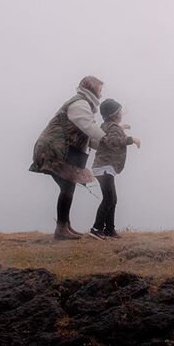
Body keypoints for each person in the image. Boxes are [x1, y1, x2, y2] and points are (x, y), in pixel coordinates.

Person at [29, 76, 106, 240]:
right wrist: (107, 140)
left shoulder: (83, 104)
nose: (101, 94)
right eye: (99, 90)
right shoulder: (80, 103)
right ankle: (62, 228)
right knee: (67, 186)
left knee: (68, 186)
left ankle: (65, 226)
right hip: (53, 150)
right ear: (92, 89)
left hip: (57, 150)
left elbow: (88, 135)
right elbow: (89, 127)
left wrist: (103, 145)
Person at [88, 98, 140, 240]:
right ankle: (96, 228)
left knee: (112, 199)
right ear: (114, 114)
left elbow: (108, 134)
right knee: (109, 199)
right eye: (120, 111)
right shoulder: (113, 127)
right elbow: (112, 141)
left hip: (103, 167)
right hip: (105, 167)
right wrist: (131, 139)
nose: (122, 113)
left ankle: (109, 229)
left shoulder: (106, 125)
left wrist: (121, 128)